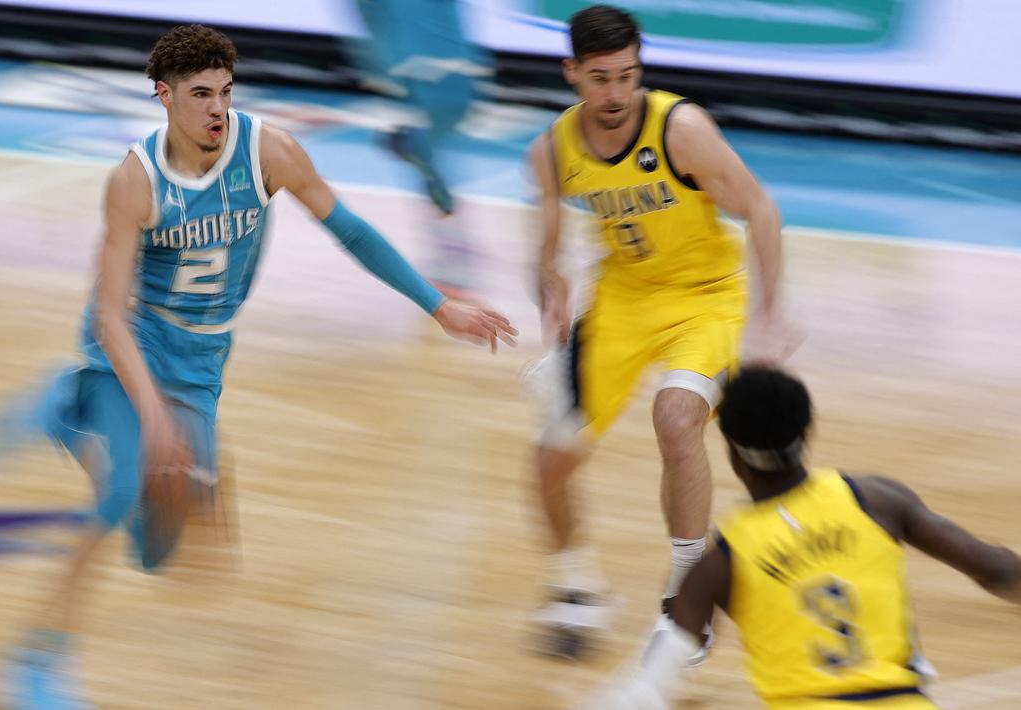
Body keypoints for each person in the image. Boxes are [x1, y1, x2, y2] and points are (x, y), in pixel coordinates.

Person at [0, 24, 517, 708]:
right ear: (164, 97)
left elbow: (349, 228)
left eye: (225, 93)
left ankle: (63, 406)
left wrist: (437, 304)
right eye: (200, 94)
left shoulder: (268, 151)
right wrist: (152, 419)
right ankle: (35, 660)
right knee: (121, 487)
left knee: (162, 553)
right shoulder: (134, 182)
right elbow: (111, 315)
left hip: (202, 360)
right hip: (134, 348)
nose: (216, 109)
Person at [523, 4, 793, 658]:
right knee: (549, 460)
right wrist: (550, 295)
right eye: (599, 78)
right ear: (571, 74)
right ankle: (575, 585)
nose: (615, 93)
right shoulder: (553, 148)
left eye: (626, 76)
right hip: (621, 300)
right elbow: (546, 248)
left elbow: (759, 206)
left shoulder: (681, 130)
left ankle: (684, 604)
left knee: (676, 420)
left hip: (705, 298)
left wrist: (768, 316)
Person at [585, 365, 1021, 709]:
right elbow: (998, 569)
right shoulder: (877, 500)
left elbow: (651, 687)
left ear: (732, 452)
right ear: (807, 433)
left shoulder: (718, 562)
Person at [343, 0, 491, 298]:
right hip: (419, 73)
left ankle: (453, 247)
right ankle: (451, 244)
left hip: (437, 74)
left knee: (417, 146)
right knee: (417, 148)